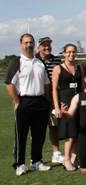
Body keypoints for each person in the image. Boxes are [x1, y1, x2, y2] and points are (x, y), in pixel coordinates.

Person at [6, 33, 52, 175]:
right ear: (21, 44)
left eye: (31, 42)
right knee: (21, 135)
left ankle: (36, 161)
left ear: (34, 45)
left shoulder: (39, 63)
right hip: (24, 102)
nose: (29, 45)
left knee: (39, 135)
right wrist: (17, 101)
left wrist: (48, 102)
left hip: (40, 102)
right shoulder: (17, 62)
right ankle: (19, 164)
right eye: (26, 42)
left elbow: (46, 84)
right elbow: (9, 84)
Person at [51, 44, 83, 171]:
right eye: (68, 52)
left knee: (77, 132)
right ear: (64, 53)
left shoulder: (79, 67)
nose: (71, 54)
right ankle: (66, 159)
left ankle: (74, 158)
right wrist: (57, 107)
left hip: (78, 104)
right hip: (65, 104)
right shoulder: (58, 68)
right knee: (70, 133)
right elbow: (54, 90)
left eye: (73, 52)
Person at [36, 36, 64, 165]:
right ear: (39, 47)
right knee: (37, 128)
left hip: (52, 99)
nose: (47, 47)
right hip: (37, 98)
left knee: (53, 126)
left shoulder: (56, 60)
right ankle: (36, 156)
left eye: (48, 45)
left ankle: (56, 153)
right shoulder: (34, 60)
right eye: (44, 45)